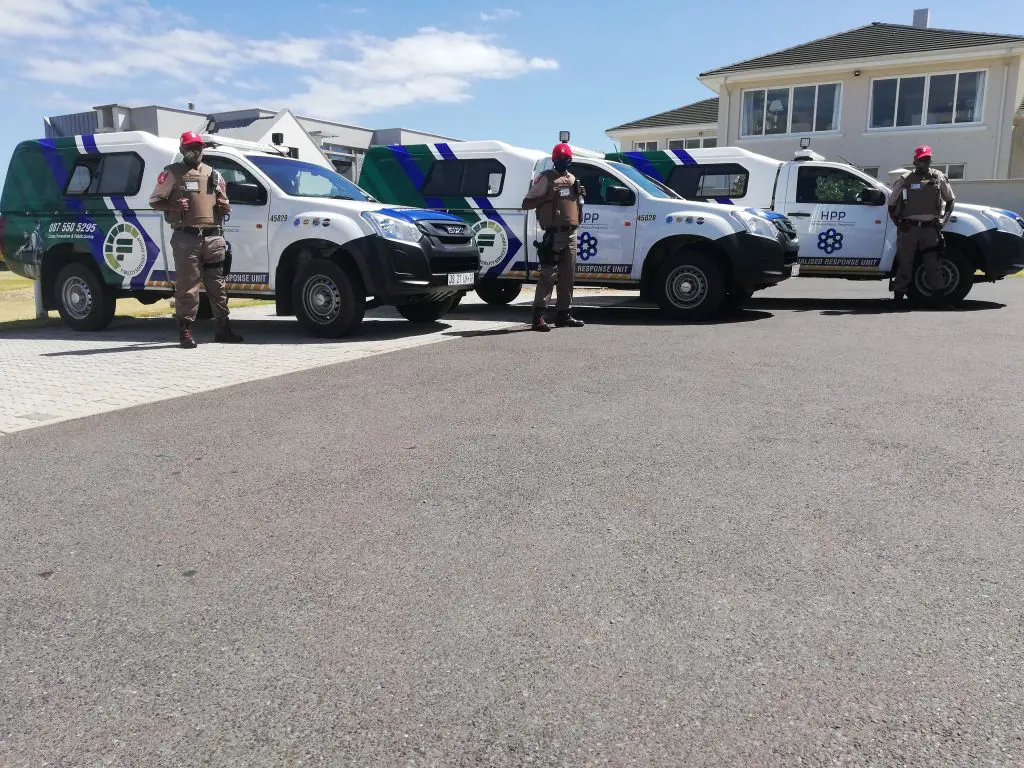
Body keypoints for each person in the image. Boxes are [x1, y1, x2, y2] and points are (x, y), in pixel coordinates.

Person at [149, 130, 243, 348]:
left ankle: (223, 328)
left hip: (213, 237)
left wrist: (224, 206)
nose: (194, 151)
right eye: (190, 147)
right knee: (187, 286)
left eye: (198, 147)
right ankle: (185, 332)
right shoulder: (171, 173)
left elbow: (223, 201)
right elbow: (154, 201)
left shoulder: (214, 174)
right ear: (182, 149)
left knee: (217, 286)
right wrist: (173, 205)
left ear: (203, 149)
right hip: (186, 238)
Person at [521, 142, 586, 332]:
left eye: (566, 159)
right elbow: (526, 203)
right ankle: (538, 316)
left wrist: (581, 196)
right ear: (554, 160)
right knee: (549, 275)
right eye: (560, 159)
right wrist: (547, 198)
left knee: (567, 276)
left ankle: (563, 315)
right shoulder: (546, 179)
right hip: (553, 234)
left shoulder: (573, 179)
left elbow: (576, 204)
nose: (563, 162)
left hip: (571, 233)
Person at [887, 145, 955, 307]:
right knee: (905, 264)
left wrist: (943, 221)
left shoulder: (938, 177)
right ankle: (897, 301)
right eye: (921, 160)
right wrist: (898, 224)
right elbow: (891, 204)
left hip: (930, 229)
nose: (925, 162)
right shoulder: (905, 179)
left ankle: (940, 301)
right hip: (908, 229)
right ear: (915, 161)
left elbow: (951, 200)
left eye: (927, 159)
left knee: (933, 264)